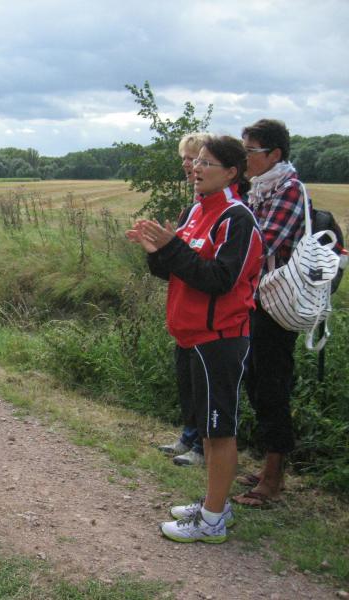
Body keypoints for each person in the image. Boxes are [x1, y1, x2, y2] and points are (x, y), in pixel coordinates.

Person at [127, 135, 263, 543]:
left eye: (206, 163)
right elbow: (176, 270)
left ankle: (212, 521)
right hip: (190, 335)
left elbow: (221, 279)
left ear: (231, 172)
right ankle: (214, 503)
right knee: (206, 428)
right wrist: (157, 252)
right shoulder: (196, 211)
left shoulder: (236, 219)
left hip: (219, 338)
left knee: (219, 432)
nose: (196, 168)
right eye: (196, 161)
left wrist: (173, 249)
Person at [233, 119, 305, 508]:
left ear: (274, 154)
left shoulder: (289, 190)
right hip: (256, 298)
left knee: (272, 384)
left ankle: (274, 476)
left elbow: (262, 243)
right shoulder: (261, 188)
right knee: (256, 380)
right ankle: (268, 467)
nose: (245, 158)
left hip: (276, 304)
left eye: (251, 151)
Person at [156, 133, 209, 468]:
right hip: (185, 309)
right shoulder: (192, 209)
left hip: (209, 314)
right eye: (185, 159)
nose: (189, 166)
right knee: (187, 378)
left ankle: (204, 445)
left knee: (205, 385)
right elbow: (176, 262)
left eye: (195, 159)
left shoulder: (228, 211)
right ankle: (190, 435)